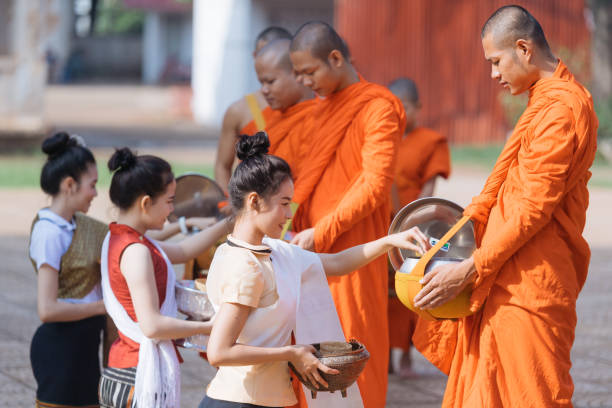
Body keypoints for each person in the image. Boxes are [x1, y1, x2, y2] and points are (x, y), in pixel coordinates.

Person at [411, 5, 598, 407]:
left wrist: (470, 268)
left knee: (534, 393)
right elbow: (510, 194)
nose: (494, 74)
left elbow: (531, 208)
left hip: (531, 280)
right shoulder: (543, 102)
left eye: (496, 62)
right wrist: (457, 246)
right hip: (506, 272)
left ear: (523, 49)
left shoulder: (561, 109)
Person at [200, 133, 429, 408]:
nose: (289, 214)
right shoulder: (246, 266)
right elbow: (219, 351)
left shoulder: (270, 251)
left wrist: (389, 241)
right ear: (254, 201)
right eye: (284, 204)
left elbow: (337, 263)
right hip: (239, 401)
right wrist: (292, 352)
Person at [288, 21, 405, 407]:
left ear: (336, 58)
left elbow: (374, 186)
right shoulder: (319, 111)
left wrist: (323, 230)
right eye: (300, 75)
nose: (306, 82)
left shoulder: (378, 107)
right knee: (307, 351)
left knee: (351, 347)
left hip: (354, 251)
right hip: (307, 249)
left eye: (310, 72)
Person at [98, 148, 231, 408]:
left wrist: (229, 224)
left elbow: (183, 251)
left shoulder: (123, 238)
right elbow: (153, 326)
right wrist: (208, 327)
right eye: (169, 201)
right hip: (136, 376)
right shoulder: (136, 251)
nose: (172, 209)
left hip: (127, 367)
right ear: (146, 203)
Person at [28, 132, 108, 408]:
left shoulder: (76, 225)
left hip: (82, 347)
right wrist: (101, 307)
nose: (96, 193)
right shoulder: (49, 232)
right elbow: (47, 309)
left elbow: (136, 241)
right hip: (60, 349)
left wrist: (184, 226)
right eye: (93, 185)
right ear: (70, 185)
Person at [386, 77, 451, 377]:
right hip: (383, 227)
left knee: (413, 289)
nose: (401, 114)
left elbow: (429, 190)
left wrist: (408, 219)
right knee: (385, 294)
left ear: (418, 108)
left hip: (417, 225)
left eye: (406, 107)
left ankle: (408, 356)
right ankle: (384, 355)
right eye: (394, 108)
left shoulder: (431, 141)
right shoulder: (383, 137)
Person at [214, 26, 292, 194]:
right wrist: (230, 205)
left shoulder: (311, 107)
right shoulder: (239, 111)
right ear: (255, 57)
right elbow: (222, 165)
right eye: (263, 53)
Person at [254, 39, 317, 178]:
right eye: (261, 83)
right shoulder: (273, 118)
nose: (264, 90)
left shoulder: (319, 120)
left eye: (270, 82)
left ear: (296, 74)